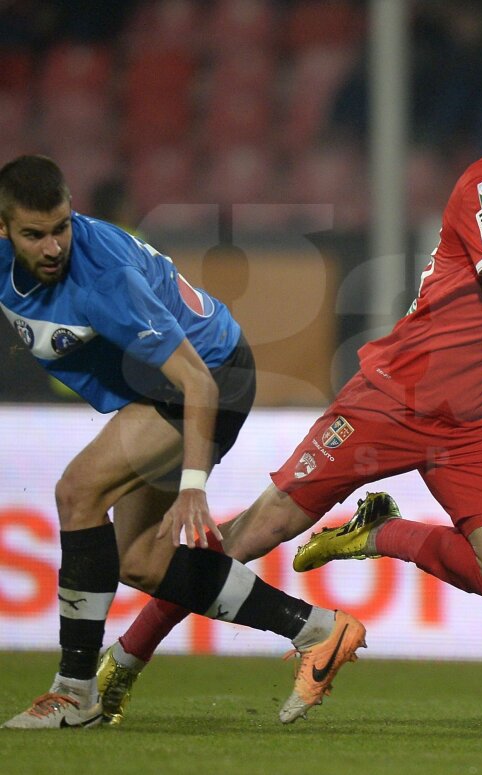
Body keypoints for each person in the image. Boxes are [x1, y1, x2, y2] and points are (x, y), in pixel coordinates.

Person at [94, 61, 482, 723]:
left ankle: (381, 533)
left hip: (470, 424)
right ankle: (125, 656)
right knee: (249, 536)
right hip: (389, 401)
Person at [0, 155, 366, 729]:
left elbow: (194, 378)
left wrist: (192, 488)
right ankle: (316, 628)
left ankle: (74, 693)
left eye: (61, 227)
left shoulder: (104, 278)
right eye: (35, 234)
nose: (53, 247)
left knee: (78, 492)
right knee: (140, 560)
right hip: (162, 388)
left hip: (209, 378)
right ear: (4, 230)